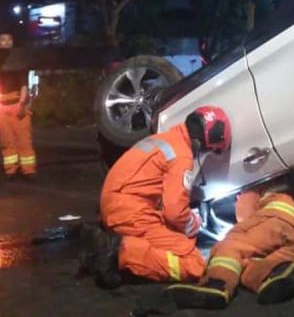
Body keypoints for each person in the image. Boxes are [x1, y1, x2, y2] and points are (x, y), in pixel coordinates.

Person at [84, 105, 231, 289]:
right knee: (194, 264)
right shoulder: (182, 156)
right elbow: (175, 213)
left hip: (115, 206)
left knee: (172, 240)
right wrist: (194, 223)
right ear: (204, 142)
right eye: (209, 151)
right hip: (131, 213)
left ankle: (118, 243)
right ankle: (119, 253)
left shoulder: (165, 139)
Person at [160, 181, 294, 310]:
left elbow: (246, 210)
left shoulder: (256, 186)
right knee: (245, 264)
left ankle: (216, 284)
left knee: (231, 246)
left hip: (281, 221)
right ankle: (271, 275)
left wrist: (241, 227)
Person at [0, 32, 36, 180]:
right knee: (7, 141)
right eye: (3, 39)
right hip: (1, 106)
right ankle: (11, 171)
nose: (7, 42)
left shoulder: (19, 61)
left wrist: (22, 104)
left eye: (9, 39)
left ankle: (28, 171)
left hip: (17, 103)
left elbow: (24, 83)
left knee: (24, 140)